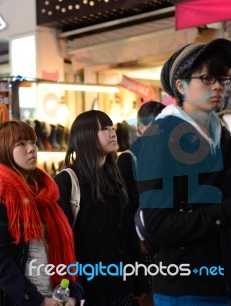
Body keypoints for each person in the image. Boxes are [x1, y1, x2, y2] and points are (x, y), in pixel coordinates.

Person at [132, 38, 231, 306]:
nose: (216, 86)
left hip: (224, 283)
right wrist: (230, 210)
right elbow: (157, 225)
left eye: (221, 78)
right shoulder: (161, 138)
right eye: (206, 78)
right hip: (185, 288)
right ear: (180, 86)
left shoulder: (223, 138)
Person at [0, 120, 83, 306]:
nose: (32, 149)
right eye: (21, 144)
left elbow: (67, 251)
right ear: (3, 151)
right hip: (17, 300)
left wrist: (74, 295)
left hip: (56, 298)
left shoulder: (46, 195)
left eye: (33, 142)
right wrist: (38, 301)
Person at [54, 110, 147, 306]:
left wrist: (138, 279)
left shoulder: (114, 177)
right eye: (104, 129)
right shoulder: (67, 180)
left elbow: (127, 232)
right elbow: (59, 241)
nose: (112, 133)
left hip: (119, 285)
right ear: (86, 136)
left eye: (112, 127)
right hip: (84, 287)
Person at [117, 101, 166, 306]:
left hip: (168, 233)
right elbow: (129, 203)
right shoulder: (128, 159)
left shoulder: (172, 158)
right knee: (148, 292)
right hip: (142, 237)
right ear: (139, 128)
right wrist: (138, 239)